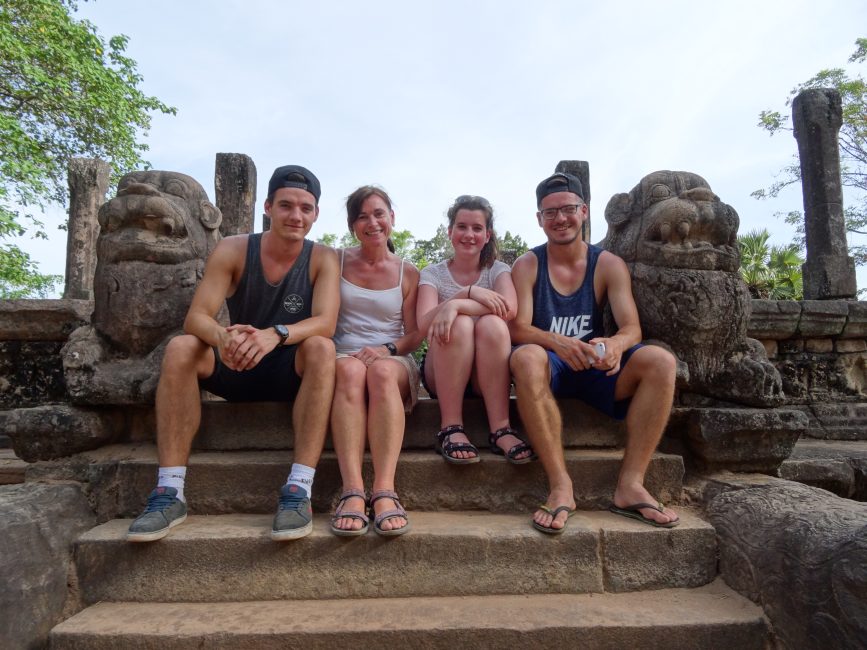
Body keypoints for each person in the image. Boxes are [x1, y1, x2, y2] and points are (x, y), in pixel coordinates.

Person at [127, 164, 339, 542]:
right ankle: (170, 490)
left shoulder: (323, 258)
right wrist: (223, 339)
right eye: (287, 205)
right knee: (181, 347)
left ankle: (299, 488)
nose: (296, 216)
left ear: (316, 214)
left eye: (306, 208)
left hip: (287, 367)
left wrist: (276, 334)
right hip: (236, 360)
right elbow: (197, 317)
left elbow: (325, 322)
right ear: (269, 207)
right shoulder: (234, 248)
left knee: (322, 348)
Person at [509, 171, 679, 533]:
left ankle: (631, 484)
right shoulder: (528, 265)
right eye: (550, 213)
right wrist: (558, 341)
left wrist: (615, 344)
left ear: (584, 211)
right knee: (524, 356)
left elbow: (632, 327)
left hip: (594, 364)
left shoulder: (607, 264)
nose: (560, 219)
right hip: (548, 366)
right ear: (539, 220)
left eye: (568, 209)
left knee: (661, 361)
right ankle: (560, 485)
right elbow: (517, 328)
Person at [329, 186, 422, 537]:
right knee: (351, 370)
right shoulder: (333, 261)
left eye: (379, 213)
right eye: (363, 216)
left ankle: (384, 489)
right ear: (353, 224)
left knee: (381, 373)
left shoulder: (408, 272)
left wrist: (386, 349)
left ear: (392, 218)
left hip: (393, 357)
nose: (372, 222)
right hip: (344, 354)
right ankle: (352, 490)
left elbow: (415, 334)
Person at [416, 195, 535, 465]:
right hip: (443, 369)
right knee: (458, 324)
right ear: (450, 232)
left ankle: (501, 428)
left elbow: (509, 309)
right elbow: (424, 323)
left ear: (487, 234)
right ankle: (451, 427)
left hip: (487, 373)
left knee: (493, 323)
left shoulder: (497, 270)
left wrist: (455, 306)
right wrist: (465, 294)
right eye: (462, 227)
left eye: (477, 228)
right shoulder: (433, 274)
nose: (469, 234)